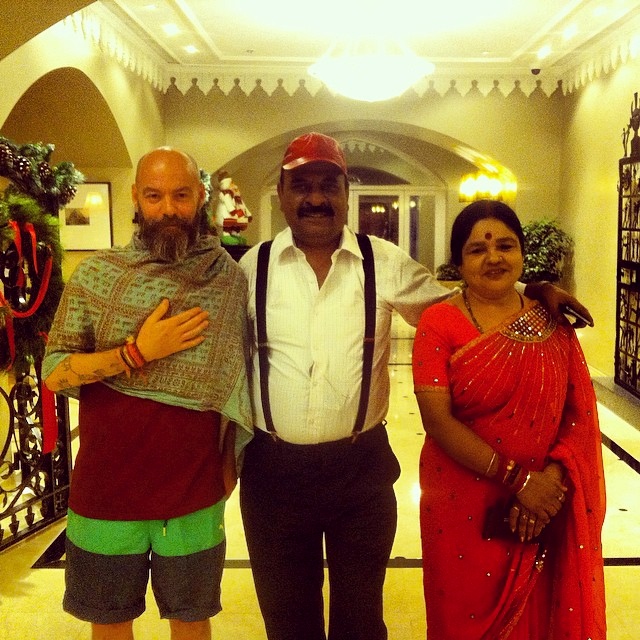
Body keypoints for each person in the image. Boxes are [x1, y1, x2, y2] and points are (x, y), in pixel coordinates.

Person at [237, 132, 593, 640]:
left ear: (346, 192)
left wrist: (533, 289)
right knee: (287, 622)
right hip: (273, 474)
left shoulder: (382, 261)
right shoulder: (252, 267)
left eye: (328, 185)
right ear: (281, 192)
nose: (315, 198)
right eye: (301, 186)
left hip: (359, 475)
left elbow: (462, 300)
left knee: (360, 621)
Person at [42, 147, 253, 640]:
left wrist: (228, 463)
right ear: (136, 196)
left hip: (194, 489)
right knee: (110, 624)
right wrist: (136, 353)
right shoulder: (96, 276)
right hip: (106, 490)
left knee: (192, 621)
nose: (168, 209)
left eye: (181, 195)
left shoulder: (226, 279)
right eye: (154, 196)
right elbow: (54, 373)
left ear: (200, 196)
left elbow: (236, 377)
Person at [412, 200, 606, 639]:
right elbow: (437, 421)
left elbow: (577, 414)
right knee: (462, 616)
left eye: (505, 245)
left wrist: (550, 482)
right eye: (477, 249)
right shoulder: (438, 322)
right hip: (460, 502)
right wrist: (521, 481)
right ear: (458, 262)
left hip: (543, 503)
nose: (494, 257)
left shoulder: (550, 318)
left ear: (521, 252)